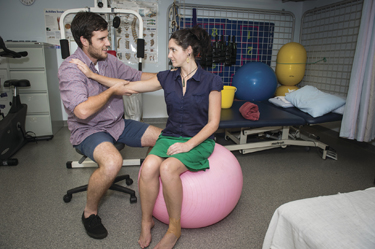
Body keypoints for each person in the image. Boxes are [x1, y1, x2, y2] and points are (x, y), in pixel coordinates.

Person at [71, 25, 223, 248]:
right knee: (150, 166)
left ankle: (174, 228)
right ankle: (146, 221)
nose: (169, 55)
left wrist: (187, 145)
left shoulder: (212, 81)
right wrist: (93, 75)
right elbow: (130, 87)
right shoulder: (168, 78)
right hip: (170, 136)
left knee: (168, 168)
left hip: (198, 139)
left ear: (188, 50)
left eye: (173, 50)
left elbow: (213, 124)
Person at [58, 11, 162, 240]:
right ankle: (89, 213)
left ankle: (149, 183)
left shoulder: (108, 61)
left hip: (117, 123)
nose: (108, 43)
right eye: (102, 39)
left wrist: (170, 77)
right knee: (113, 161)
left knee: (163, 139)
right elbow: (82, 111)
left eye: (107, 37)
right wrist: (113, 90)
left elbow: (137, 77)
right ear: (84, 41)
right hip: (88, 130)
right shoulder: (70, 69)